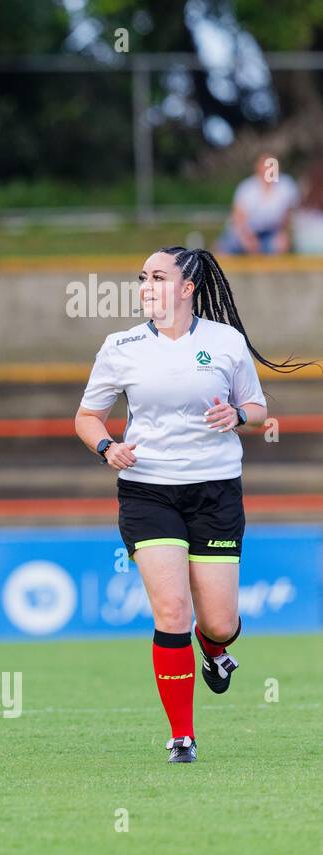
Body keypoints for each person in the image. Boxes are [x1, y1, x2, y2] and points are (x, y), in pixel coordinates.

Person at [74, 246, 316, 763]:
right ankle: (182, 736)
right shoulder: (121, 346)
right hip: (148, 490)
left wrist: (238, 415)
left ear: (187, 288)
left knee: (221, 621)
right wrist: (107, 447)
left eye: (157, 276)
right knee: (172, 610)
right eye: (141, 277)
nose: (145, 285)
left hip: (215, 490)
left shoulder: (226, 341)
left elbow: (255, 405)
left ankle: (215, 651)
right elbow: (87, 417)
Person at [217, 153, 299, 255]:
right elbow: (238, 217)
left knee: (281, 243)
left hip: (274, 233)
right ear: (258, 167)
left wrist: (283, 233)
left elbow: (289, 215)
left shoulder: (286, 185)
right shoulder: (247, 187)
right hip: (248, 232)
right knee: (226, 246)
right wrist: (247, 237)